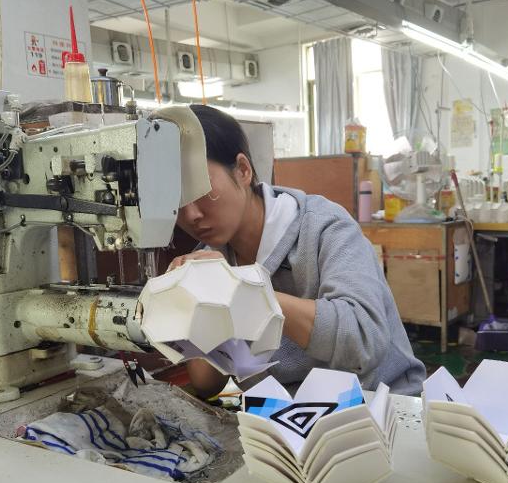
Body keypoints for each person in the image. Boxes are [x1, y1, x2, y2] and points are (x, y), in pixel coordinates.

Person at [170, 104, 426, 398]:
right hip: (286, 412)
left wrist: (245, 291)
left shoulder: (325, 227)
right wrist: (195, 307)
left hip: (381, 403)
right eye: (176, 201)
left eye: (201, 191)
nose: (191, 215)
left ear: (242, 170)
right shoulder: (212, 261)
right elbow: (206, 382)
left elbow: (362, 341)